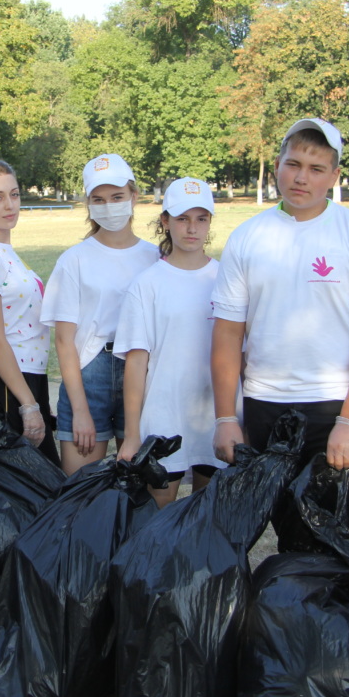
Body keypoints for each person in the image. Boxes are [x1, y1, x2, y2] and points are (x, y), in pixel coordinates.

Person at [211, 119, 349, 476]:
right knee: (283, 525)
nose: (301, 178)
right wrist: (225, 417)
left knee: (341, 529)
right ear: (277, 165)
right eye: (293, 164)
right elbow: (227, 333)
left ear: (334, 176)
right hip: (266, 403)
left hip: (337, 405)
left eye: (316, 169)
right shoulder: (247, 236)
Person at [40, 154, 159, 475]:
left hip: (141, 371)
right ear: (89, 204)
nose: (109, 206)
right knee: (79, 491)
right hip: (89, 374)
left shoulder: (156, 257)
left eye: (117, 197)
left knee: (138, 486)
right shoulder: (74, 260)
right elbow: (64, 341)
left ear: (134, 196)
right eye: (99, 199)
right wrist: (80, 410)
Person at [114, 177, 226, 506]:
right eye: (182, 218)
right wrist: (133, 434)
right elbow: (136, 363)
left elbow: (240, 353)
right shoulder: (147, 285)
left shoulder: (226, 279)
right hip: (164, 417)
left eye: (201, 218)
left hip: (213, 415)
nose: (192, 228)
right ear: (165, 221)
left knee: (209, 519)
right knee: (157, 521)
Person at [0, 160, 58, 465]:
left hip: (27, 376)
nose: (9, 205)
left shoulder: (5, 252)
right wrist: (28, 404)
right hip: (6, 383)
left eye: (14, 195)